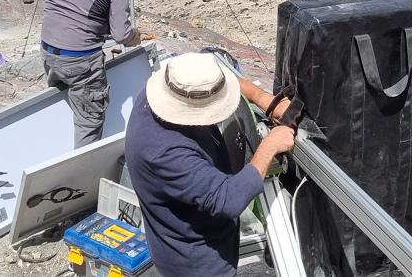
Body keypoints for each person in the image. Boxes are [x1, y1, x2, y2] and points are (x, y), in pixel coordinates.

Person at [124, 52, 297, 277]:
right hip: (196, 261)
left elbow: (212, 82)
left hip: (197, 233)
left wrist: (262, 98)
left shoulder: (161, 93)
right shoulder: (165, 152)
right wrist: (269, 146)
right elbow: (228, 199)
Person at [41, 0, 146, 147]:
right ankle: (82, 168)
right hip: (80, 61)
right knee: (89, 121)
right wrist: (135, 36)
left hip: (48, 49)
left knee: (64, 106)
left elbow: (76, 4)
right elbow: (121, 34)